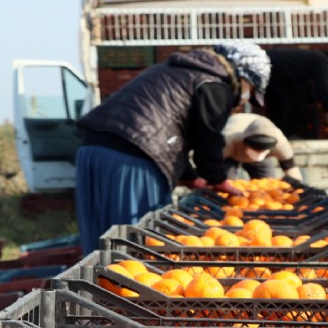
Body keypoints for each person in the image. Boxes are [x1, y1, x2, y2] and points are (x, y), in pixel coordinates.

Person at [74, 41, 271, 255]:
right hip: (134, 159)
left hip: (92, 151)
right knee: (135, 245)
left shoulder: (175, 71)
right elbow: (207, 136)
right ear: (244, 77)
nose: (244, 100)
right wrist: (218, 178)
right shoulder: (214, 83)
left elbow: (169, 130)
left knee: (98, 245)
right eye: (250, 92)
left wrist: (190, 176)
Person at [181, 113, 303, 185]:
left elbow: (291, 169)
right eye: (255, 149)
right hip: (230, 155)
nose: (258, 153)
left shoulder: (280, 143)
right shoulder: (228, 140)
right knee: (225, 183)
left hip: (263, 160)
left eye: (262, 150)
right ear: (245, 143)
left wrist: (296, 188)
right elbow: (210, 165)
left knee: (267, 184)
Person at [263, 48, 328, 138]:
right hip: (279, 68)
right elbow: (322, 86)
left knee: (276, 103)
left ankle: (273, 134)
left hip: (267, 66)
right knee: (296, 101)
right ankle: (287, 134)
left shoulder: (306, 59)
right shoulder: (323, 60)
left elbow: (304, 85)